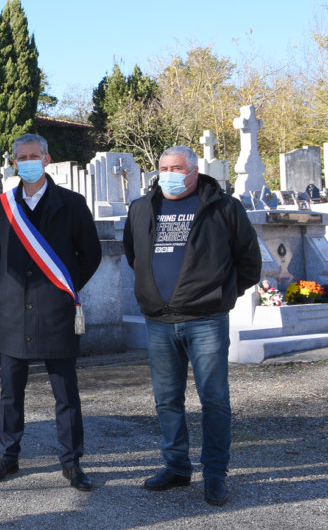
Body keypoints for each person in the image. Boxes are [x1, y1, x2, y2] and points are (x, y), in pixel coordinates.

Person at [123, 145, 260, 506]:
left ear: (194, 172)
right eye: (163, 167)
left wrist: (219, 293)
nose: (168, 173)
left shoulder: (224, 208)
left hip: (206, 320)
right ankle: (176, 466)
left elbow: (248, 260)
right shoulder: (141, 208)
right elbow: (133, 255)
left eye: (177, 167)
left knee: (214, 400)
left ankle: (215, 474)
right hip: (159, 321)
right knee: (167, 401)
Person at [0, 133, 102, 491]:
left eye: (34, 155)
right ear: (14, 162)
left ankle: (71, 461)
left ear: (47, 159)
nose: (28, 161)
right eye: (21, 157)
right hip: (15, 313)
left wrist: (62, 286)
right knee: (10, 393)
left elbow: (90, 254)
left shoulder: (72, 203)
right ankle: (9, 456)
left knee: (65, 392)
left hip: (57, 311)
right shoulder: (2, 205)